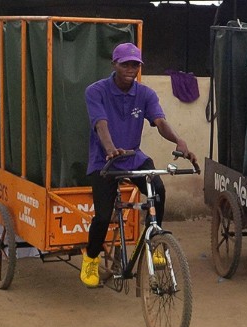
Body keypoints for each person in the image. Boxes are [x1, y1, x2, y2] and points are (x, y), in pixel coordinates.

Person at [81, 42, 198, 288]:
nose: (131, 69)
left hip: (133, 157)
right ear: (114, 64)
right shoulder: (96, 91)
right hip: (105, 161)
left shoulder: (145, 94)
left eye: (135, 64)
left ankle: (156, 243)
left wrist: (180, 141)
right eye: (125, 64)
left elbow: (160, 122)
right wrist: (110, 149)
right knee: (102, 217)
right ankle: (91, 259)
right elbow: (100, 124)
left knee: (158, 190)